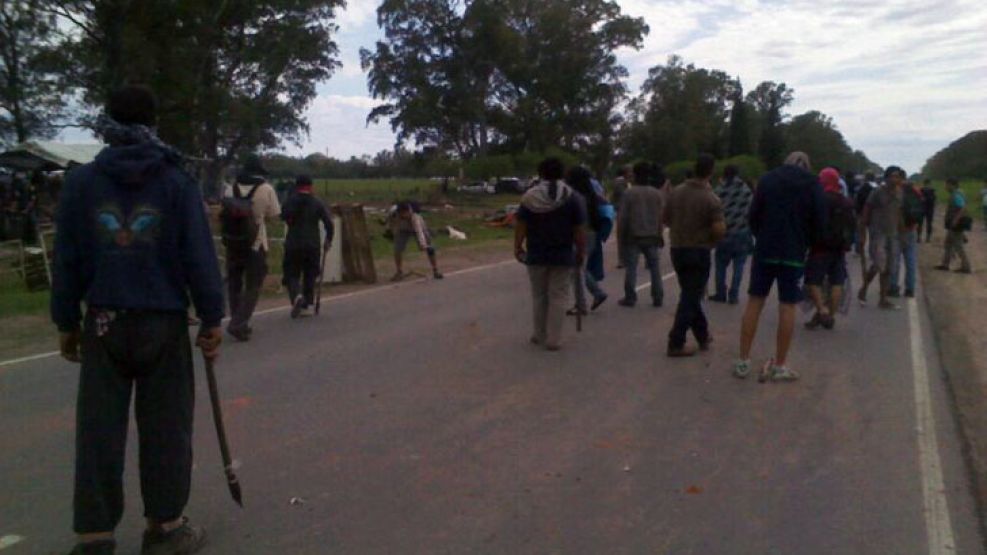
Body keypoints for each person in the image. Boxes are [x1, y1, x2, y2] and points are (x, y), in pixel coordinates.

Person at [51, 85, 223, 555]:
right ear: (152, 125)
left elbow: (66, 260)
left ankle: (94, 536)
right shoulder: (176, 181)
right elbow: (199, 258)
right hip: (163, 324)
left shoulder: (82, 183)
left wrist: (66, 321)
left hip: (103, 322)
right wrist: (211, 317)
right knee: (167, 428)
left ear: (106, 123)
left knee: (98, 432)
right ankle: (165, 528)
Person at [735, 152, 824, 381]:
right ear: (806, 165)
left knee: (755, 301)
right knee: (787, 306)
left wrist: (761, 235)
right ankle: (780, 365)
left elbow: (753, 215)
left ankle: (743, 361)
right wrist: (807, 243)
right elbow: (819, 220)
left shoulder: (767, 179)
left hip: (765, 249)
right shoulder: (812, 183)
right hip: (793, 252)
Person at [515, 157, 586, 351]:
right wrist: (581, 251)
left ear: (540, 173)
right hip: (563, 254)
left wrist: (518, 247)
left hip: (536, 253)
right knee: (559, 297)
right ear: (562, 173)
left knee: (539, 296)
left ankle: (539, 334)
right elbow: (579, 229)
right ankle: (554, 339)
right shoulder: (572, 197)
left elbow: (521, 225)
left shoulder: (529, 197)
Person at [663, 154, 725, 357]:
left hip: (678, 249)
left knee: (690, 293)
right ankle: (676, 341)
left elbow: (665, 218)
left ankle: (702, 334)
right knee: (690, 296)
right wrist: (712, 242)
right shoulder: (711, 198)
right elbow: (718, 229)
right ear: (710, 172)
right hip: (698, 251)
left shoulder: (676, 193)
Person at [223, 154, 280, 341]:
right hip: (256, 243)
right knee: (253, 285)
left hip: (232, 243)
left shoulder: (230, 188)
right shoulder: (266, 189)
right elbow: (273, 215)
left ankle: (238, 319)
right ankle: (239, 323)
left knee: (234, 283)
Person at [805, 168, 855, 330]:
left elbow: (810, 221)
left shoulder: (819, 199)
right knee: (837, 282)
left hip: (820, 246)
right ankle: (830, 316)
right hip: (839, 248)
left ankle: (822, 310)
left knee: (813, 280)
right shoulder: (846, 201)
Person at [281, 175, 334, 318]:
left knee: (291, 272)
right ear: (310, 186)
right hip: (312, 244)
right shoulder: (317, 202)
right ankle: (306, 304)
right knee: (310, 273)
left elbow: (284, 216)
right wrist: (328, 239)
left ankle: (296, 295)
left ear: (297, 186)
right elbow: (329, 223)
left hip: (293, 243)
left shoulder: (290, 200)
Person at [617, 162, 666, 308]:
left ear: (635, 175)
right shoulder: (656, 193)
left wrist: (621, 237)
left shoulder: (629, 193)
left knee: (631, 268)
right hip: (652, 235)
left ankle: (630, 297)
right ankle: (658, 297)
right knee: (655, 269)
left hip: (633, 235)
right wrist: (659, 234)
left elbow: (623, 217)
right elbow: (660, 217)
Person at [858, 166, 905, 309]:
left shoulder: (899, 193)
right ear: (886, 178)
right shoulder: (877, 192)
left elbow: (899, 213)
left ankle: (883, 299)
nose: (895, 179)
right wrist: (862, 234)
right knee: (879, 265)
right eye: (892, 176)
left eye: (897, 176)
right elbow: (866, 211)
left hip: (893, 234)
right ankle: (864, 288)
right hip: (878, 233)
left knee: (889, 268)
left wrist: (902, 234)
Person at [566, 166, 608, 315]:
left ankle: (584, 302)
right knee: (580, 268)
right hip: (592, 233)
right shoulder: (592, 195)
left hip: (579, 234)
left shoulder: (574, 196)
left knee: (576, 270)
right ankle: (592, 296)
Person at [710, 164, 753, 305]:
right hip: (742, 232)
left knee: (720, 265)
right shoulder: (746, 190)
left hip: (724, 232)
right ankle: (734, 294)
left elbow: (712, 210)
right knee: (739, 265)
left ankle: (720, 293)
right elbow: (752, 211)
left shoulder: (719, 190)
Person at [387, 201, 443, 281]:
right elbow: (390, 221)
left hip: (418, 228)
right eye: (403, 214)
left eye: (406, 213)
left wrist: (422, 244)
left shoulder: (415, 217)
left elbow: (419, 231)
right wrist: (391, 230)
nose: (405, 215)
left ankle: (435, 270)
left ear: (408, 211)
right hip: (402, 229)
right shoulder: (394, 213)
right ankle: (399, 272)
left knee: (429, 247)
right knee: (397, 249)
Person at [889, 180, 924, 298]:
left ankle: (893, 287)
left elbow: (896, 212)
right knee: (911, 260)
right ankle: (910, 288)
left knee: (895, 260)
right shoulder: (917, 193)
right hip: (912, 229)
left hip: (898, 231)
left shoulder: (898, 194)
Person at [935, 177, 972, 273]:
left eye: (947, 185)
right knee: (948, 243)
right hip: (955, 224)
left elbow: (962, 208)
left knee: (958, 245)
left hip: (956, 224)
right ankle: (945, 264)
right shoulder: (958, 193)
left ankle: (966, 267)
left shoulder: (956, 195)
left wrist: (955, 219)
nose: (945, 187)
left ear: (952, 185)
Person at [853, 172, 878, 278]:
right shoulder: (876, 188)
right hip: (873, 215)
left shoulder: (861, 188)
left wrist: (858, 212)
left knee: (861, 233)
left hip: (861, 213)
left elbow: (857, 201)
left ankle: (859, 250)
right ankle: (872, 253)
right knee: (873, 235)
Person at [611, 165, 633, 269]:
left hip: (629, 211)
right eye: (630, 172)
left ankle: (627, 258)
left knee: (629, 236)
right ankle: (622, 260)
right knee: (622, 235)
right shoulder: (619, 182)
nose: (631, 174)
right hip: (622, 211)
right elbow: (623, 195)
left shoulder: (628, 182)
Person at [919, 178, 937, 243]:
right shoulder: (932, 190)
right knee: (929, 223)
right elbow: (934, 200)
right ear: (929, 183)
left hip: (922, 208)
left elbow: (919, 199)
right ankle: (927, 238)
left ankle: (919, 237)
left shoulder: (921, 190)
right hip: (930, 209)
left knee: (920, 223)